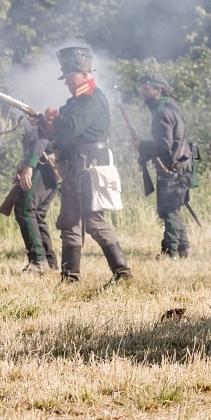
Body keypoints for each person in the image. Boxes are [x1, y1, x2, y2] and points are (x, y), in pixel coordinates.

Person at [42, 46, 131, 285]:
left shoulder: (90, 100)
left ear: (83, 74)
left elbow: (70, 126)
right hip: (76, 167)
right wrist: (45, 122)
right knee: (70, 221)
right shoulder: (79, 100)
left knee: (93, 220)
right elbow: (63, 131)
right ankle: (70, 277)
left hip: (87, 167)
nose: (66, 82)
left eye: (69, 76)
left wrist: (52, 118)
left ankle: (122, 273)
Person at [137, 74, 193, 259]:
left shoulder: (161, 112)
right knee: (173, 208)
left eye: (147, 89)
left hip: (172, 166)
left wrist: (141, 145)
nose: (143, 92)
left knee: (168, 209)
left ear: (158, 90)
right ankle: (183, 247)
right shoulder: (170, 106)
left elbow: (164, 145)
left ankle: (170, 251)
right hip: (181, 163)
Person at [10, 124, 59, 274]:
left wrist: (29, 166)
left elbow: (41, 141)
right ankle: (49, 260)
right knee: (36, 214)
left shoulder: (42, 120)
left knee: (25, 209)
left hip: (43, 168)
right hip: (47, 168)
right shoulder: (37, 121)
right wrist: (23, 168)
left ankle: (38, 260)